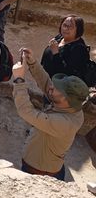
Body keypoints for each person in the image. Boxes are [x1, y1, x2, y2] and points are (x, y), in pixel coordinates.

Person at [13, 48, 87, 181]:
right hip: (46, 164)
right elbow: (46, 83)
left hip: (39, 171)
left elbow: (26, 111)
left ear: (65, 99)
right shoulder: (70, 105)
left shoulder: (64, 123)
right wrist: (32, 63)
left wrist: (19, 80)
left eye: (56, 88)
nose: (51, 87)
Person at [41, 15, 90, 81]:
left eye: (71, 27)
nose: (66, 29)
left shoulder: (79, 49)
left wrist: (56, 53)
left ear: (78, 30)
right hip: (46, 78)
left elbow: (66, 74)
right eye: (65, 25)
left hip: (60, 86)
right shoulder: (60, 37)